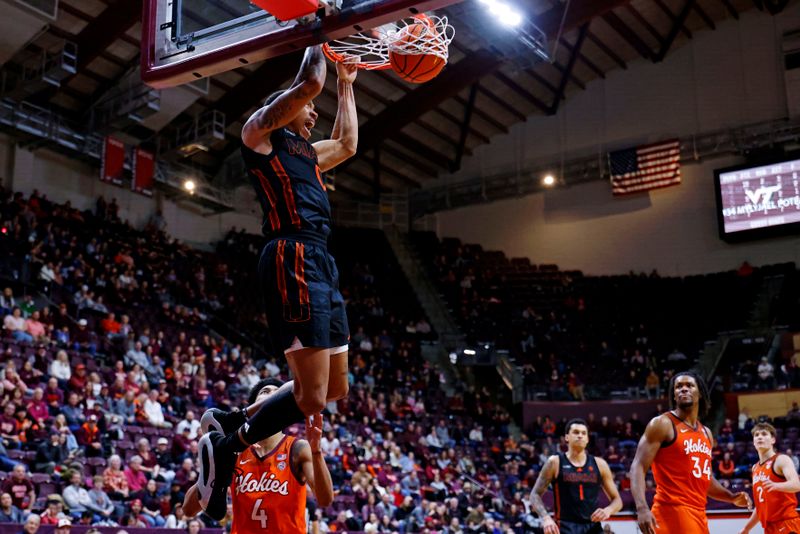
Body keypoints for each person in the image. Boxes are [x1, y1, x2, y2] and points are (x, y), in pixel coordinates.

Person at [195, 44, 358, 521]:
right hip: (292, 255)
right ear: (285, 106)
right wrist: (320, 33)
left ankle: (233, 422)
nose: (313, 114)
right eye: (309, 110)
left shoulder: (307, 153)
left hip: (321, 259)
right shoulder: (259, 135)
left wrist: (347, 81)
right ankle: (229, 445)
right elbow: (308, 82)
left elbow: (347, 144)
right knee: (309, 397)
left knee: (336, 391)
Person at [184, 378, 334, 532]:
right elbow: (188, 510)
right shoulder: (234, 450)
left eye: (277, 393)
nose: (272, 395)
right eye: (265, 392)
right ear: (253, 407)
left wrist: (316, 451)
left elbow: (325, 499)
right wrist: (214, 470)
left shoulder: (297, 448)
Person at [630, 371, 752, 534]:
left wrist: (730, 497)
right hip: (672, 512)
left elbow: (704, 478)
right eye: (678, 386)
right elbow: (638, 466)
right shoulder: (662, 424)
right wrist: (642, 507)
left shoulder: (706, 433)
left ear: (700, 393)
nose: (683, 389)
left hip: (698, 513)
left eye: (689, 385)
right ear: (673, 395)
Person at [530, 419, 622, 534]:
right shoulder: (555, 462)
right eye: (576, 432)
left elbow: (617, 501)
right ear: (567, 437)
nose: (580, 436)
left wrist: (608, 510)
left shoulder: (600, 464)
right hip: (565, 527)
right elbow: (534, 495)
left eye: (584, 433)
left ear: (587, 439)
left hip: (593, 527)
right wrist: (546, 518)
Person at [739, 422, 800, 534]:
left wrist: (777, 485)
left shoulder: (781, 460)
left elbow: (797, 485)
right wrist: (747, 528)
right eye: (756, 435)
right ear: (753, 442)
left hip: (787, 524)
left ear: (773, 440)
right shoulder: (755, 468)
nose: (760, 437)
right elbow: (761, 507)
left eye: (764, 434)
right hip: (769, 529)